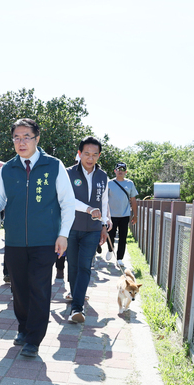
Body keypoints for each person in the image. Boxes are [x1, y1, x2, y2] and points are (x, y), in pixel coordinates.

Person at [0, 118, 76, 358]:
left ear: (37, 138)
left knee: (39, 287)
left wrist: (63, 235)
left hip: (45, 240)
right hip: (14, 240)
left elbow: (67, 203)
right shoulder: (8, 168)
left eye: (26, 136)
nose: (21, 142)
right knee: (19, 289)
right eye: (16, 137)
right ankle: (23, 327)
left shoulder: (54, 166)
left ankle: (34, 338)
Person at [65, 137, 112, 324]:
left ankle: (77, 307)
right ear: (79, 154)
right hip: (70, 227)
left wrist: (104, 223)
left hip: (92, 230)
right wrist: (88, 209)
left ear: (99, 155)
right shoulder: (68, 173)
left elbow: (104, 202)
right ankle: (76, 295)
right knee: (73, 266)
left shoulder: (103, 176)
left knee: (85, 266)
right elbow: (66, 200)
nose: (90, 158)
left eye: (94, 155)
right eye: (86, 154)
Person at [107, 162, 139, 267]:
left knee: (123, 237)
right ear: (115, 171)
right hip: (111, 215)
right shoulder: (109, 183)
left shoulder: (130, 183)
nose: (120, 171)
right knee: (110, 236)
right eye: (118, 169)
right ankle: (110, 249)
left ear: (125, 172)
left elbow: (133, 200)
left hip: (125, 215)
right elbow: (104, 200)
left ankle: (120, 258)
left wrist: (135, 215)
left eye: (122, 170)